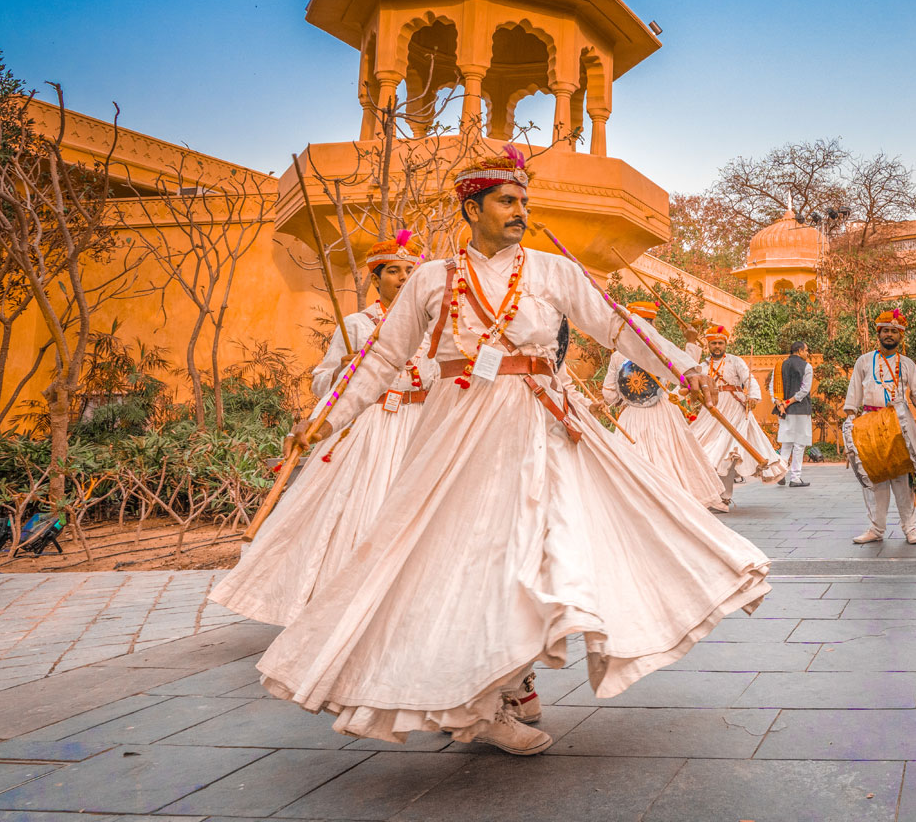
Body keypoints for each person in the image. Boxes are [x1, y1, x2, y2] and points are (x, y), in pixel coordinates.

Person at [249, 150, 771, 756]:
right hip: (456, 433)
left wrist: (682, 368)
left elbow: (618, 327)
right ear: (471, 208)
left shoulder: (553, 272)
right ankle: (484, 699)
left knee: (537, 553)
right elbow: (383, 360)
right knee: (463, 559)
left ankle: (507, 685)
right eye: (507, 201)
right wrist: (325, 419)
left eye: (524, 201)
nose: (521, 211)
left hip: (540, 425)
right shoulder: (431, 278)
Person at [211, 230, 431, 626]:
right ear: (376, 278)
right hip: (372, 427)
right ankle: (343, 607)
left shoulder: (433, 326)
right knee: (360, 512)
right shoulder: (357, 325)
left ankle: (408, 608)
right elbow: (320, 381)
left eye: (409, 271)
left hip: (423, 426)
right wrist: (346, 367)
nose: (402, 278)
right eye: (393, 271)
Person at [598, 301, 730, 512]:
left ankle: (639, 504)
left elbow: (609, 394)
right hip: (662, 414)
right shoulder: (659, 351)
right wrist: (691, 342)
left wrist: (624, 399)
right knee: (670, 456)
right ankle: (670, 504)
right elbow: (685, 368)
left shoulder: (617, 356)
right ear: (652, 325)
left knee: (632, 459)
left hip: (631, 417)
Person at [842, 308, 916, 545]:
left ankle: (910, 529)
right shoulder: (864, 361)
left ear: (901, 336)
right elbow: (853, 396)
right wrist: (850, 427)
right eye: (885, 331)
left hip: (899, 426)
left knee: (903, 480)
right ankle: (876, 529)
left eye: (894, 331)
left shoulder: (907, 363)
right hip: (869, 425)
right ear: (878, 333)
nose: (889, 334)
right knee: (875, 479)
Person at [692, 324, 788, 506]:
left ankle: (724, 497)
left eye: (720, 343)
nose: (717, 347)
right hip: (711, 410)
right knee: (701, 449)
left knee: (728, 454)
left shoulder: (736, 361)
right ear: (708, 345)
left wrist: (752, 397)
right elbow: (689, 381)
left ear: (725, 344)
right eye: (713, 344)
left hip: (734, 410)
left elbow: (748, 380)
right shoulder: (702, 365)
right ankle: (709, 495)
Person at [773, 341, 814, 488]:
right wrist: (789, 402)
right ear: (800, 350)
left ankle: (781, 474)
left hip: (784, 411)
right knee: (799, 444)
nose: (807, 354)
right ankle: (795, 478)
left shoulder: (780, 365)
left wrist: (781, 404)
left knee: (786, 443)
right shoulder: (807, 367)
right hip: (801, 410)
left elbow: (774, 388)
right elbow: (804, 390)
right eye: (806, 350)